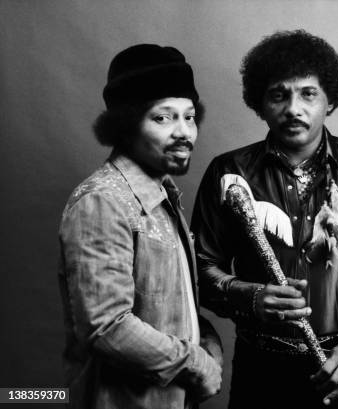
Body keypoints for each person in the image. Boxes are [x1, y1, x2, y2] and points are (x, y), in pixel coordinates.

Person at [191, 30, 338, 409]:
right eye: (279, 94)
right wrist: (251, 296)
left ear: (330, 100)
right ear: (260, 102)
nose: (293, 108)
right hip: (260, 370)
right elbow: (199, 268)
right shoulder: (227, 172)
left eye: (308, 93)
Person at [58, 44, 223, 409]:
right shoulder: (103, 200)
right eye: (163, 118)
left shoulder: (163, 196)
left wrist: (207, 339)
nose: (184, 132)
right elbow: (108, 327)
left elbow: (165, 302)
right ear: (126, 124)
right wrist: (196, 362)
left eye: (190, 116)